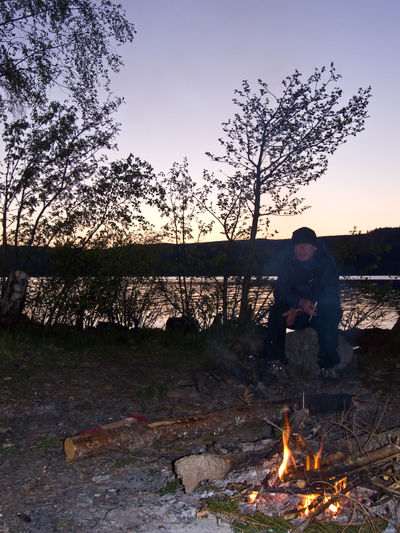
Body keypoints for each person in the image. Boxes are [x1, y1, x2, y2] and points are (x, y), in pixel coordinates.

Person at [264, 227, 342, 370]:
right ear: (293, 248)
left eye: (306, 245)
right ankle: (276, 363)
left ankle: (328, 365)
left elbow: (329, 293)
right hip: (295, 313)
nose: (302, 249)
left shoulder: (326, 263)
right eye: (298, 245)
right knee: (276, 312)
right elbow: (280, 291)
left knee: (329, 312)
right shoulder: (287, 263)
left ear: (314, 247)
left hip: (318, 312)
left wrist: (304, 306)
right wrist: (297, 304)